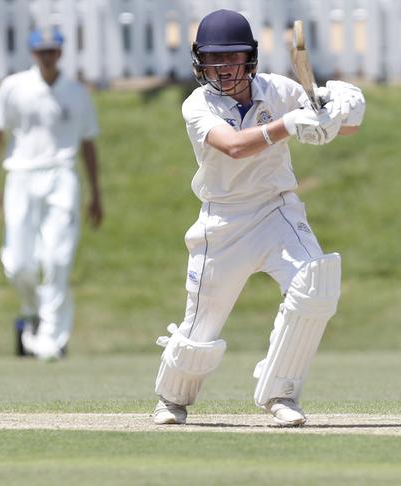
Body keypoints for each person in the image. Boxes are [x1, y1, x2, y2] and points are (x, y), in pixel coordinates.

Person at [152, 9, 365, 426]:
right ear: (200, 62)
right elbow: (232, 146)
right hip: (223, 222)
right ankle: (172, 398)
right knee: (201, 326)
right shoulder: (197, 105)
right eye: (213, 60)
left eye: (231, 58)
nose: (222, 69)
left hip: (275, 210)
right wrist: (289, 125)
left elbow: (342, 128)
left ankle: (281, 394)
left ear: (249, 59)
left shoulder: (280, 90)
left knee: (316, 285)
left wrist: (342, 110)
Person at [0, 26, 103, 361]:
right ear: (33, 54)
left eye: (53, 51)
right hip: (20, 174)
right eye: (41, 51)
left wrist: (96, 193)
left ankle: (53, 338)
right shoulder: (14, 87)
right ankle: (32, 313)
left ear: (60, 53)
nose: (48, 57)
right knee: (17, 264)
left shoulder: (76, 93)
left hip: (62, 174)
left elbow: (88, 143)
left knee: (57, 259)